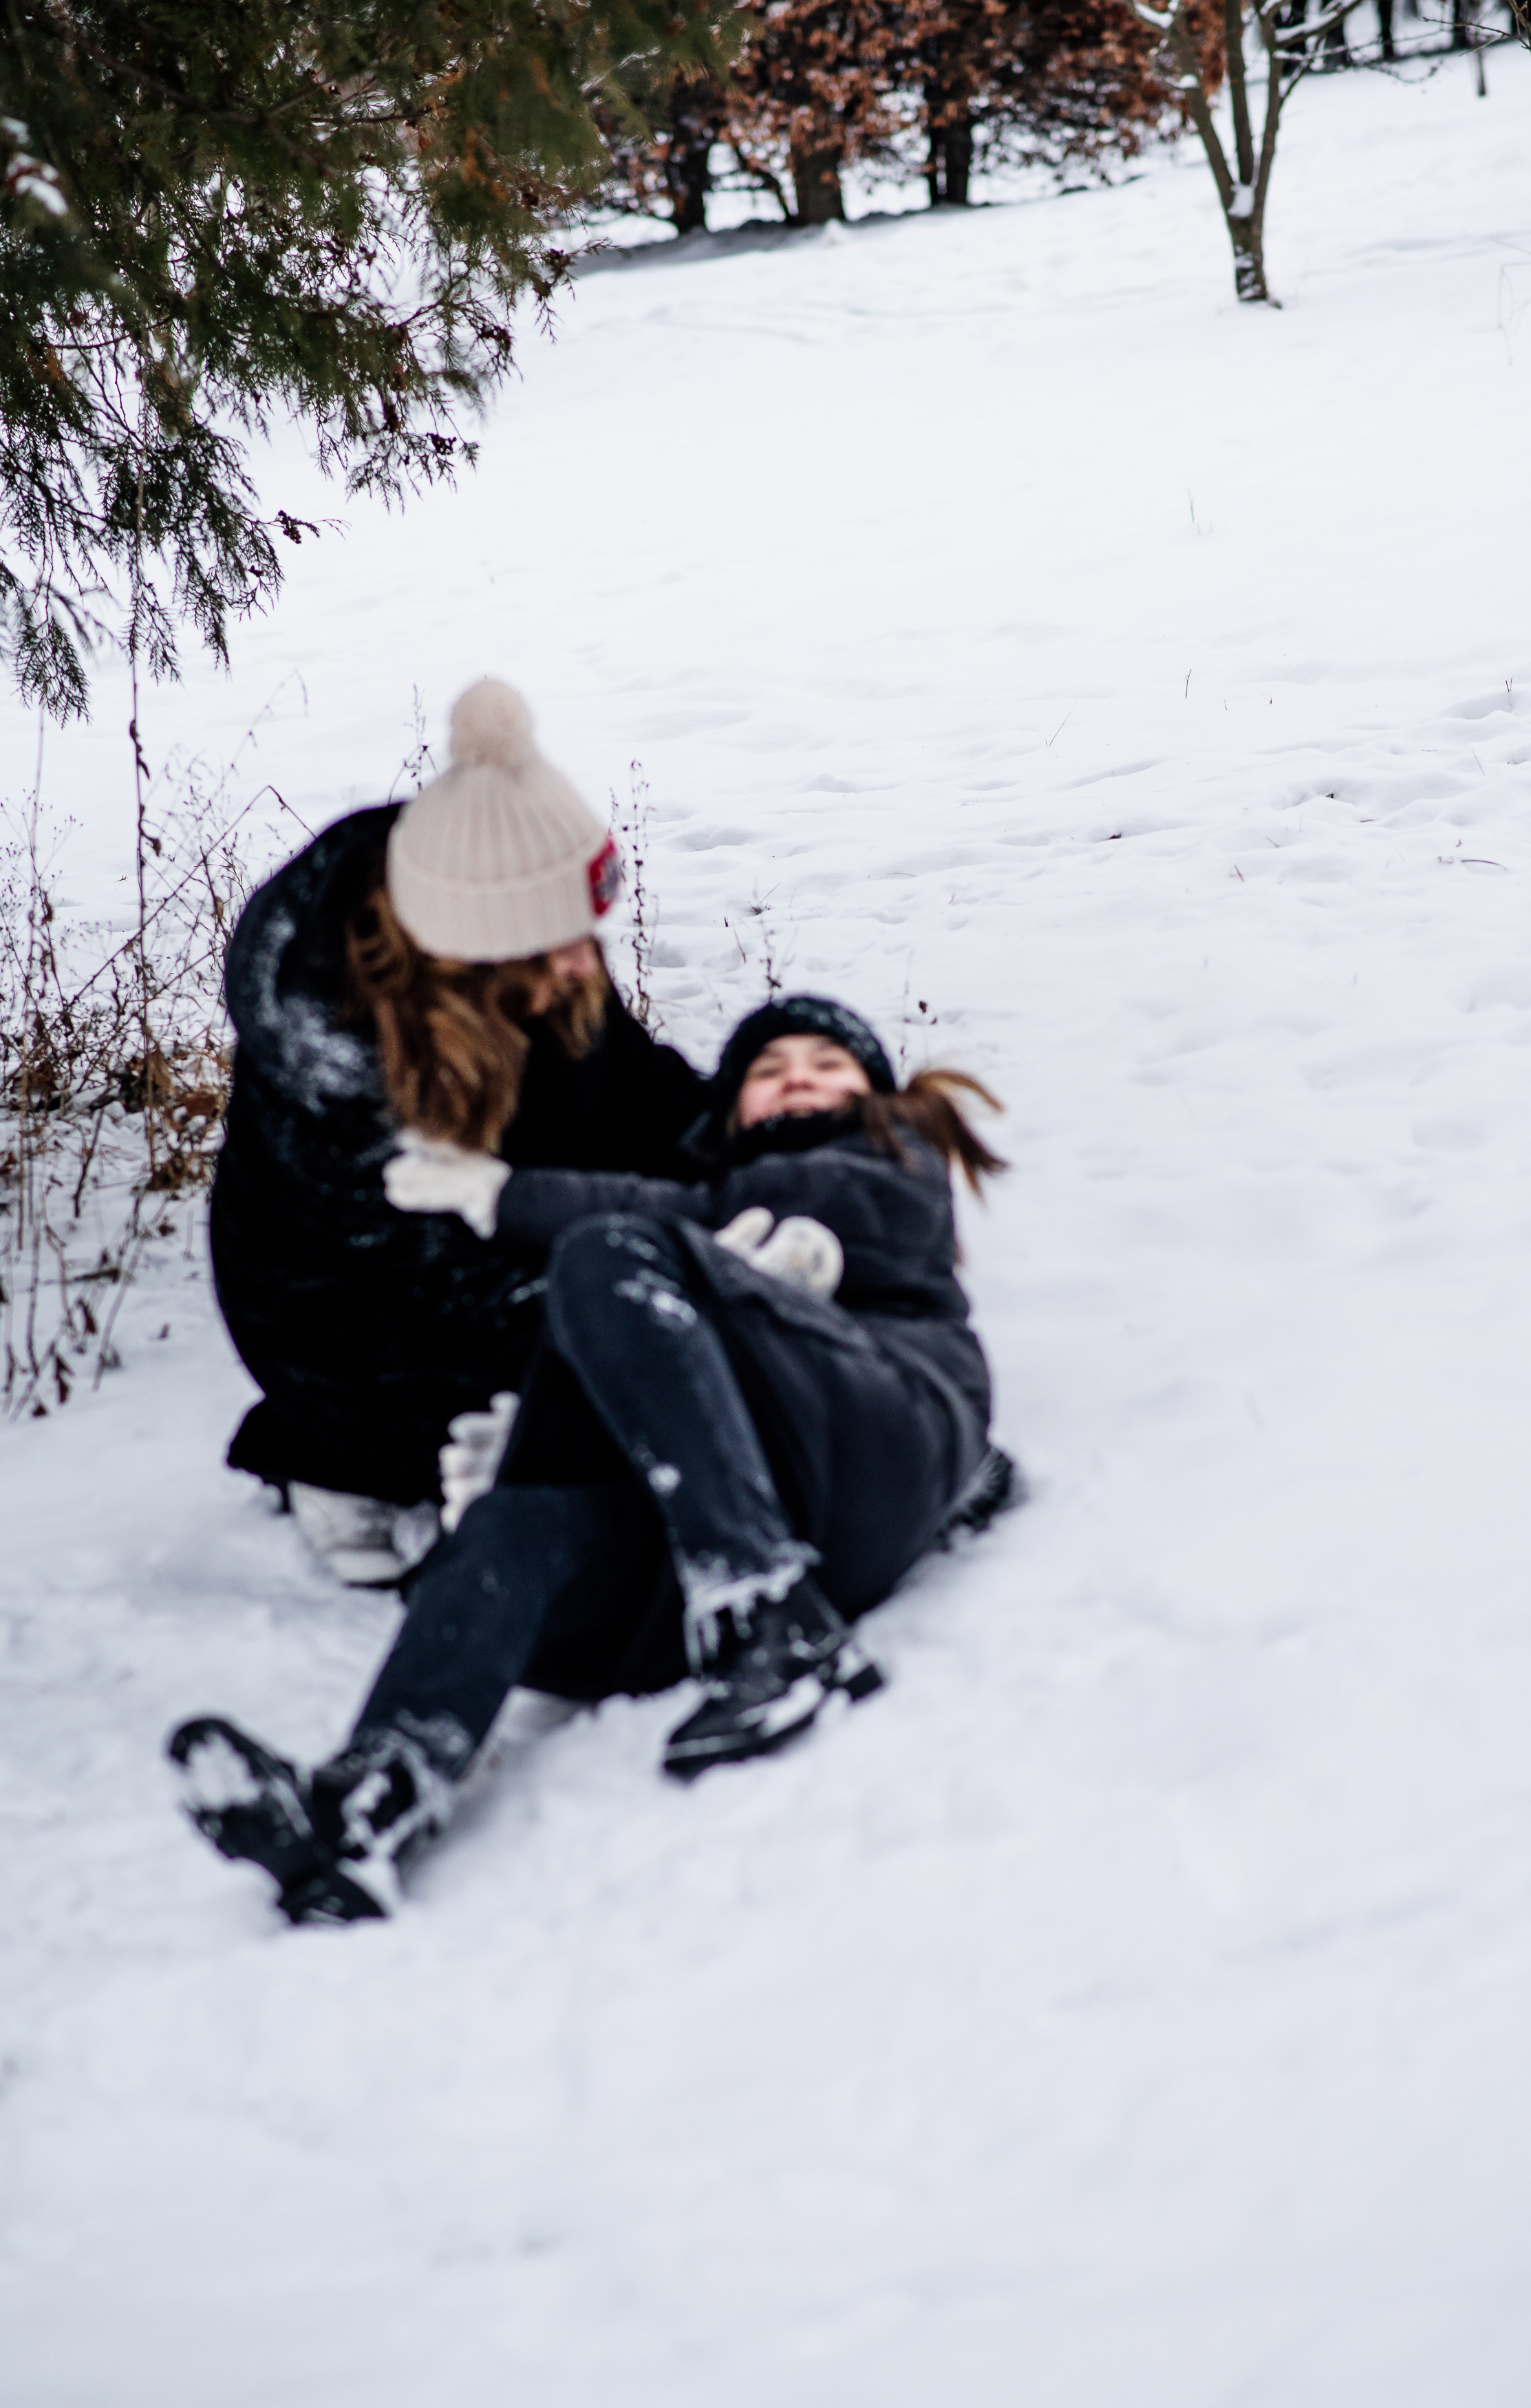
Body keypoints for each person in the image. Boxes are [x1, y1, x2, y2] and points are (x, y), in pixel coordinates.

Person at [170, 995, 1013, 1926]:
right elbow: (699, 1231)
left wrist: (508, 1194)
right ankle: (372, 1799)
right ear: (729, 1109)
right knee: (513, 1525)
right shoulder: (707, 1225)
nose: (798, 1078)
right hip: (744, 1518)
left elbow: (726, 1210)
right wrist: (535, 1452)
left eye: (826, 1063)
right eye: (769, 1071)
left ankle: (768, 1611)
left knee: (606, 1255)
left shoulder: (891, 1157)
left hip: (882, 1438)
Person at [211, 678, 705, 1582]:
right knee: (588, 1408)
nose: (582, 956)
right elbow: (425, 1275)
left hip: (497, 1225)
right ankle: (331, 1462)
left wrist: (763, 1152)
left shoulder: (530, 933)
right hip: (348, 1313)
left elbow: (646, 1100)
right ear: (470, 950)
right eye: (555, 941)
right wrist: (646, 1293)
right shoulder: (328, 1041)